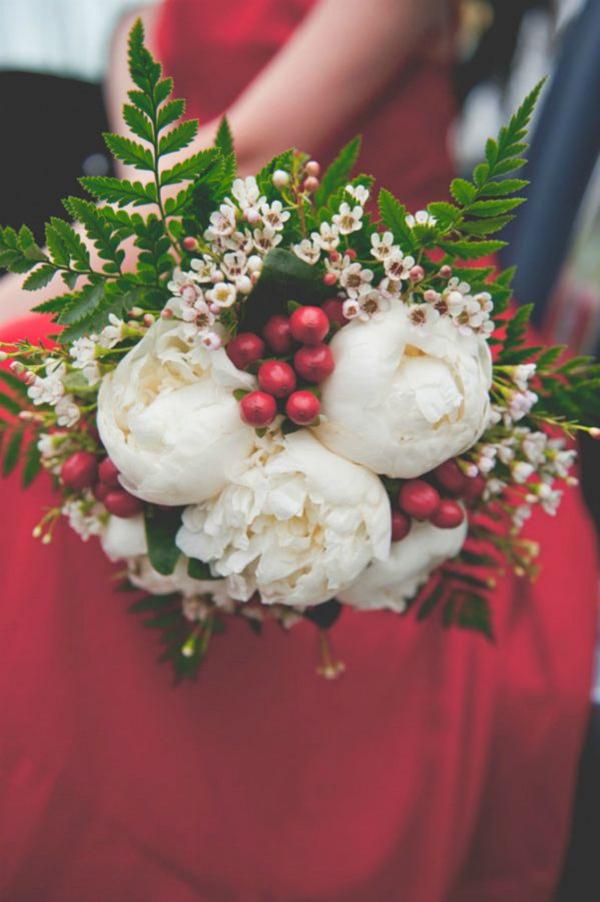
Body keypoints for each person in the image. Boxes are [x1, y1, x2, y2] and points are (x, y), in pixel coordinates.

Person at [0, 2, 597, 900]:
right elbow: (148, 149)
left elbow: (245, 155)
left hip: (361, 320)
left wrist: (51, 278)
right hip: (200, 279)